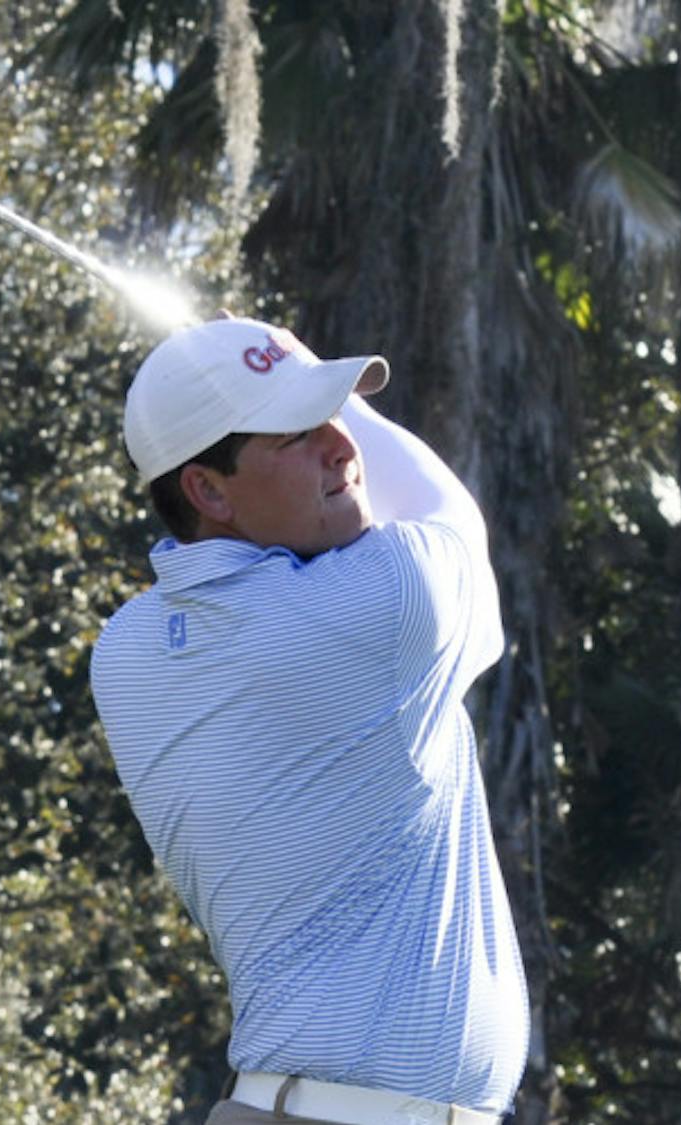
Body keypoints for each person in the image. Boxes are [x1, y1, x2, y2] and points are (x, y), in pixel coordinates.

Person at [90, 315, 529, 1125]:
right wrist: (326, 381)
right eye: (298, 431)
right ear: (208, 489)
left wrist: (285, 375)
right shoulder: (382, 602)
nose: (341, 446)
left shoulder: (127, 652)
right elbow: (453, 516)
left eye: (334, 417)